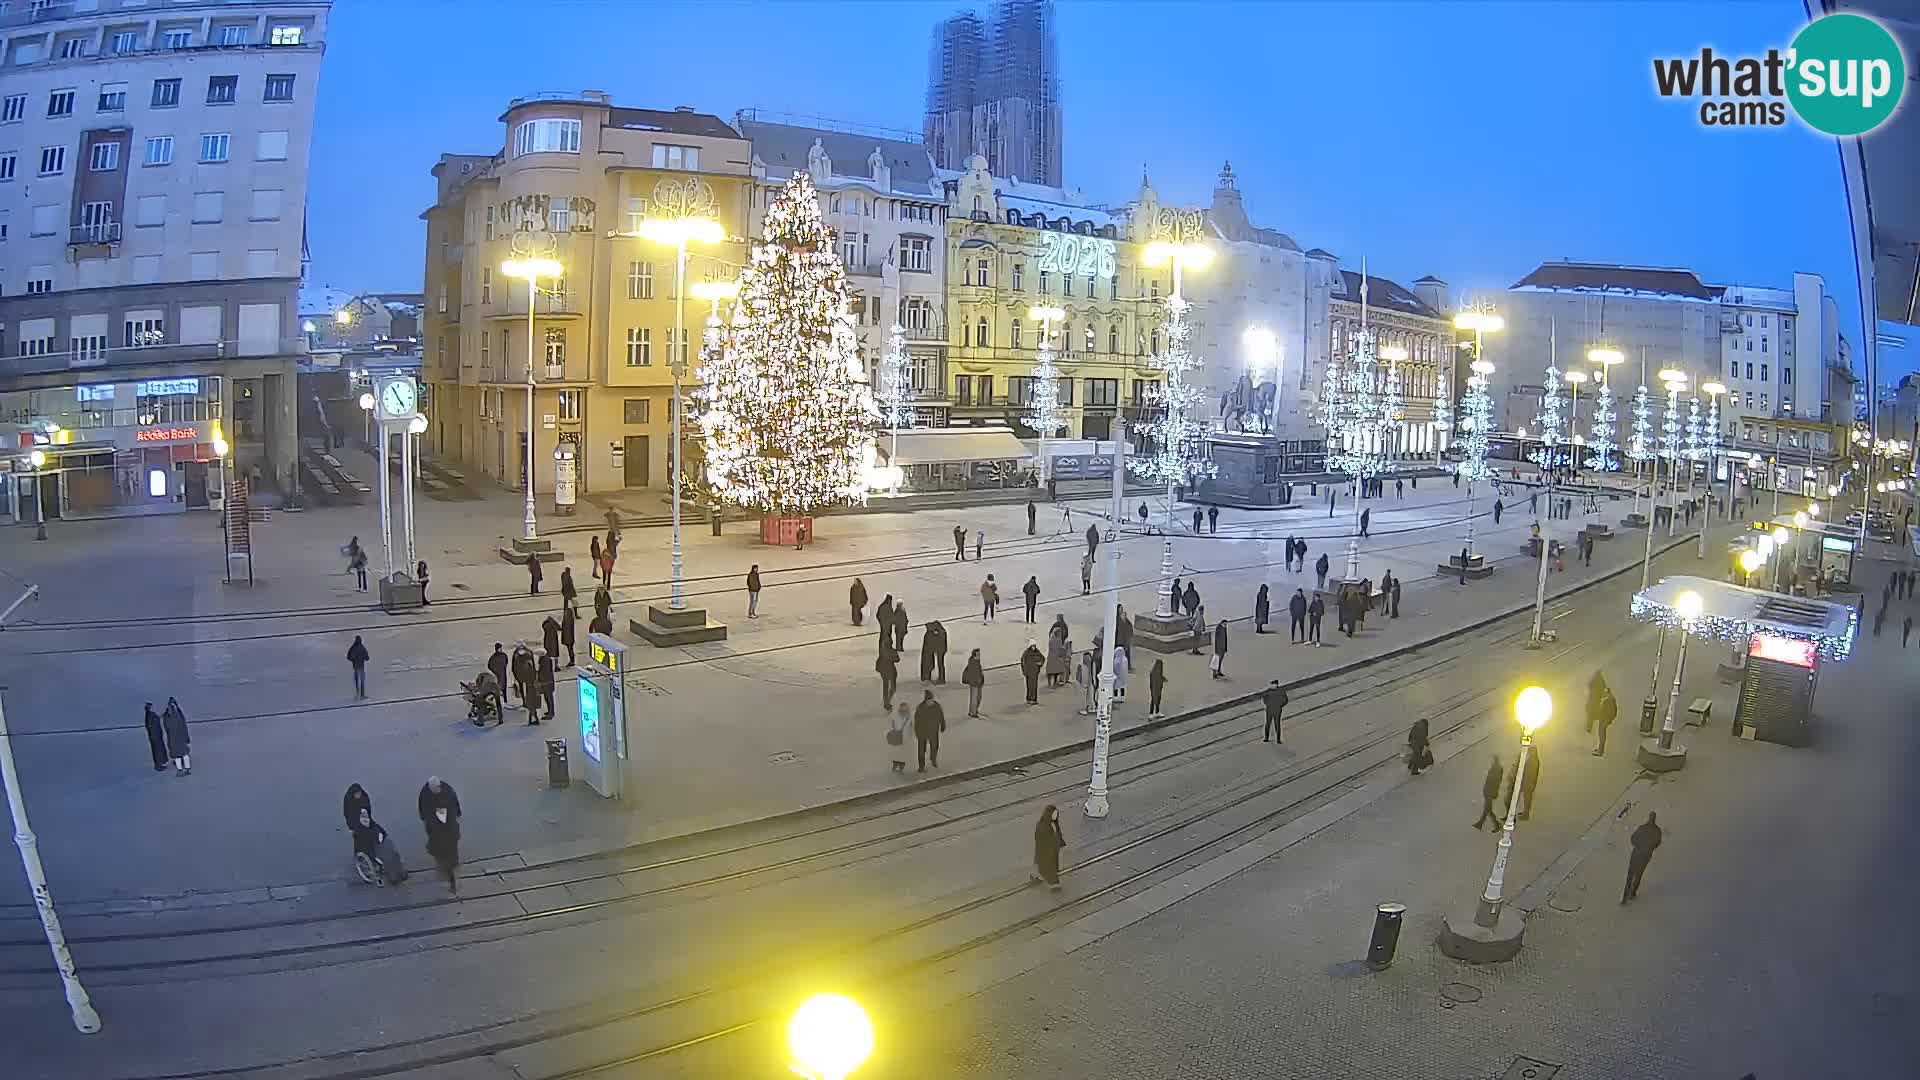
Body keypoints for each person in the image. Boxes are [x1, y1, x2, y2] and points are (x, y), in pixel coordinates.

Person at [418, 776, 462, 893]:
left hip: (448, 827)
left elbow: (454, 801)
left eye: (439, 786)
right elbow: (422, 807)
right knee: (441, 848)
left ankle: (451, 864)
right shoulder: (426, 793)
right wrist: (424, 817)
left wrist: (457, 812)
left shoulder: (446, 790)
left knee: (451, 845)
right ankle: (446, 865)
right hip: (436, 829)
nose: (439, 788)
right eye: (436, 787)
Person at [1622, 811, 1663, 903]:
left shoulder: (1642, 828)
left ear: (1649, 818)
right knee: (1638, 875)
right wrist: (1650, 848)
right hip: (1645, 856)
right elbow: (1657, 843)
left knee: (1630, 874)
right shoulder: (1657, 831)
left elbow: (1632, 838)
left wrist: (1637, 845)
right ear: (1654, 819)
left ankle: (1625, 898)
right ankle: (1632, 893)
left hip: (1636, 853)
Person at [1032, 804, 1066, 889]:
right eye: (1054, 814)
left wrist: (1060, 842)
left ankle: (1041, 877)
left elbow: (1057, 833)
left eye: (1056, 814)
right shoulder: (1042, 826)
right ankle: (1054, 884)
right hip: (1047, 850)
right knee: (1048, 866)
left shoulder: (1053, 823)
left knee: (1046, 865)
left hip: (1052, 849)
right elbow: (1041, 840)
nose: (1056, 816)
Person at [913, 689, 946, 772]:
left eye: (931, 699)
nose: (930, 701)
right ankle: (921, 766)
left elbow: (941, 716)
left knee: (935, 746)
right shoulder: (920, 708)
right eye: (929, 700)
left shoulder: (937, 706)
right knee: (921, 750)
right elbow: (917, 721)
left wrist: (942, 725)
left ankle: (933, 759)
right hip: (922, 732)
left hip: (933, 730)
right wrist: (917, 732)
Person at [161, 697, 192, 776]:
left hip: (173, 740)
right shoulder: (180, 718)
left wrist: (165, 714)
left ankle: (180, 771)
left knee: (177, 757)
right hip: (182, 739)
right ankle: (187, 769)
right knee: (185, 754)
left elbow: (166, 726)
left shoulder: (168, 720)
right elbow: (181, 715)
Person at [1591, 674, 1618, 755]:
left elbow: (1610, 711)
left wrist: (1608, 720)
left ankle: (1600, 751)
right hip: (1604, 719)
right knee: (1601, 735)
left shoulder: (1609, 700)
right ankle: (1600, 749)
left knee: (1602, 735)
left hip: (1604, 720)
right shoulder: (1608, 698)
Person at [1473, 756, 1504, 829]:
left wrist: (1491, 791)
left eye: (1492, 760)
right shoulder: (1496, 768)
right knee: (1488, 809)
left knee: (1488, 809)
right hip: (1489, 791)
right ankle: (1481, 823)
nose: (1491, 761)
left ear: (1495, 760)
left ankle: (1496, 825)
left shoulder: (1496, 769)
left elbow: (1494, 782)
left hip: (1490, 791)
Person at [511, 644, 537, 720]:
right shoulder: (529, 653)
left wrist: (515, 674)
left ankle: (525, 702)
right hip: (528, 675)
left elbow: (513, 666)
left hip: (520, 675)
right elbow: (533, 665)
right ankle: (528, 702)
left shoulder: (516, 655)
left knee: (522, 688)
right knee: (528, 689)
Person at [142, 703, 169, 772]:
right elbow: (150, 726)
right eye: (149, 706)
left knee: (158, 750)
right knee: (157, 751)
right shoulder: (149, 715)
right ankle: (159, 765)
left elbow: (157, 719)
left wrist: (165, 713)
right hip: (155, 736)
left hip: (156, 735)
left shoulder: (150, 714)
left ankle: (160, 764)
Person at [486, 643, 510, 721]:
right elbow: (489, 665)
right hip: (497, 675)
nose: (500, 649)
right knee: (498, 688)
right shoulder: (493, 657)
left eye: (501, 648)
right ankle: (498, 701)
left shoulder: (504, 655)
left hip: (503, 673)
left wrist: (503, 668)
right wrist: (495, 671)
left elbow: (506, 662)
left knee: (504, 687)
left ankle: (505, 700)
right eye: (499, 648)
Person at [961, 648, 987, 717]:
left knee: (978, 697)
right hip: (974, 683)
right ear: (974, 654)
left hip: (978, 683)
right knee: (974, 698)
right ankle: (972, 712)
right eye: (978, 654)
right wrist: (977, 680)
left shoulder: (977, 661)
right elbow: (973, 674)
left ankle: (975, 710)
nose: (979, 655)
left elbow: (979, 672)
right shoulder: (972, 662)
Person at [876, 642, 899, 711]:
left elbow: (878, 663)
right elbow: (897, 659)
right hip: (891, 671)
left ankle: (886, 702)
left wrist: (879, 670)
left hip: (884, 672)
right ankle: (887, 702)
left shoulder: (882, 652)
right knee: (893, 688)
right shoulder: (892, 651)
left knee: (885, 687)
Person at [535, 648, 556, 723]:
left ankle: (551, 713)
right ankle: (550, 711)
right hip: (548, 682)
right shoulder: (545, 659)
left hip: (547, 683)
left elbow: (545, 672)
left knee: (549, 698)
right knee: (547, 698)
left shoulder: (545, 661)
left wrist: (540, 680)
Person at [889, 702, 911, 773]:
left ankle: (901, 767)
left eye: (905, 708)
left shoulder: (909, 716)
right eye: (902, 707)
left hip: (904, 738)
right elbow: (891, 723)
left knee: (903, 754)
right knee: (896, 752)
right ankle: (895, 765)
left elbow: (912, 726)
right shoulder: (895, 715)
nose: (903, 709)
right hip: (897, 736)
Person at [347, 635, 371, 699]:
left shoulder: (353, 647)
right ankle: (361, 695)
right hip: (360, 666)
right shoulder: (362, 647)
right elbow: (367, 658)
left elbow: (349, 657)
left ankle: (358, 694)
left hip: (356, 666)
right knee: (362, 681)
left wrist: (354, 660)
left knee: (357, 681)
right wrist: (361, 657)